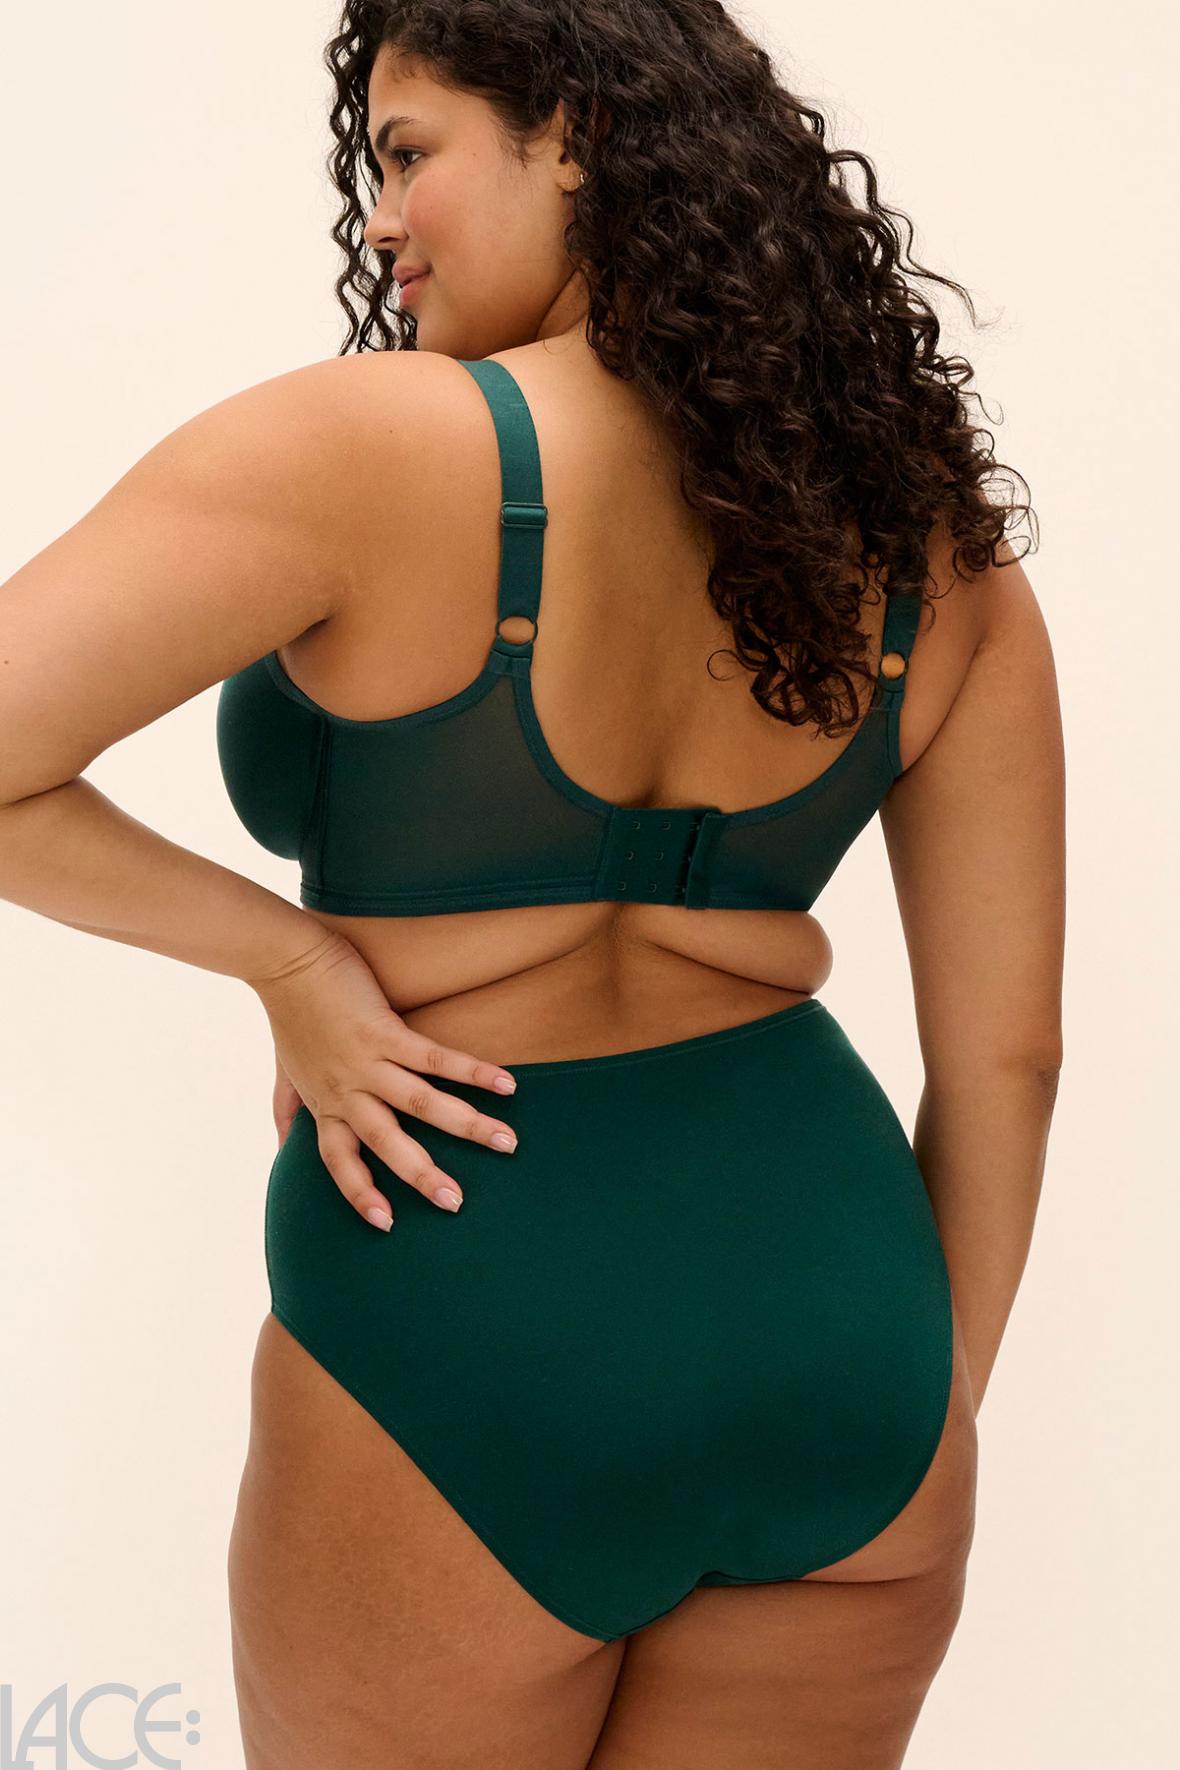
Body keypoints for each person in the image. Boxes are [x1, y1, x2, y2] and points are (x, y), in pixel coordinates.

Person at [0, 2, 1064, 1765]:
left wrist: (293, 967)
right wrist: (922, 1406)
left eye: (408, 153)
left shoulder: (366, 449)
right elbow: (1010, 1057)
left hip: (467, 1311)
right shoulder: (931, 541)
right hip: (842, 1324)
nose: (376, 218)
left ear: (573, 132)